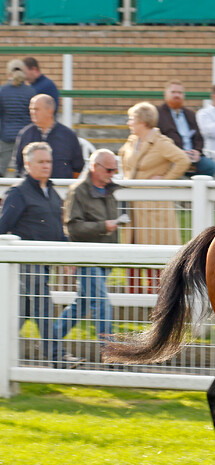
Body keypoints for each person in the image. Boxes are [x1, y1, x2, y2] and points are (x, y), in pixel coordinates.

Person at [0, 142, 81, 368]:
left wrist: (69, 256)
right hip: (26, 262)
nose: (47, 166)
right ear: (28, 164)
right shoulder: (18, 193)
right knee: (44, 306)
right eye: (41, 162)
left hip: (43, 263)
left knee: (22, 312)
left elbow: (56, 230)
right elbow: (2, 226)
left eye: (49, 161)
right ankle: (58, 358)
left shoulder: (51, 193)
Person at [53, 149, 120, 359]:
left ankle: (49, 341)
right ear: (95, 167)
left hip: (103, 258)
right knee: (101, 302)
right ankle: (110, 353)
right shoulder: (78, 191)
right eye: (109, 169)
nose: (112, 173)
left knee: (81, 305)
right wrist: (103, 226)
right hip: (87, 258)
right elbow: (72, 228)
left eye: (115, 169)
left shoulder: (108, 191)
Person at [119, 102, 190, 293]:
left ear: (143, 121)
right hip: (132, 207)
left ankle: (157, 297)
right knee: (131, 251)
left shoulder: (161, 142)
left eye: (132, 118)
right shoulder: (132, 141)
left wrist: (164, 180)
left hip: (153, 208)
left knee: (154, 253)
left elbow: (183, 160)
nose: (129, 122)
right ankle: (132, 296)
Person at [15, 94, 84, 179]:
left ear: (50, 111)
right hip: (30, 190)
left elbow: (78, 167)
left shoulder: (68, 136)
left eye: (36, 109)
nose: (32, 112)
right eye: (31, 109)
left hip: (60, 188)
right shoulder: (25, 134)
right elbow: (19, 165)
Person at [156, 80, 215, 177]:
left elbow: (199, 138)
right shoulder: (158, 113)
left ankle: (198, 190)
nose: (177, 95)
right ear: (165, 94)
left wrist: (197, 151)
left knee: (210, 166)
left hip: (192, 156)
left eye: (179, 93)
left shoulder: (190, 114)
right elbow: (158, 139)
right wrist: (178, 152)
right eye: (173, 92)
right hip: (171, 156)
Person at [0, 59, 36, 175]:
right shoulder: (30, 92)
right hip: (25, 136)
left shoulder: (2, 91)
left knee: (1, 168)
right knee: (22, 169)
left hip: (6, 136)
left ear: (8, 72)